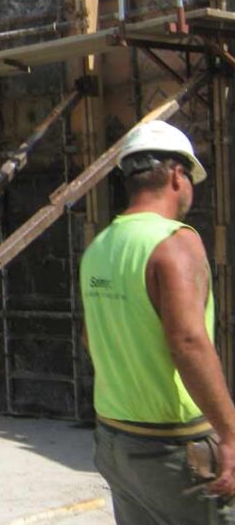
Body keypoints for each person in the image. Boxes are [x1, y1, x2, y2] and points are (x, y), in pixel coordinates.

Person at [80, 120, 235, 523]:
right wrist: (230, 433)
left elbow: (90, 338)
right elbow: (187, 341)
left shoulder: (99, 247)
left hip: (115, 441)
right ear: (177, 175)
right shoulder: (175, 241)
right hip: (173, 447)